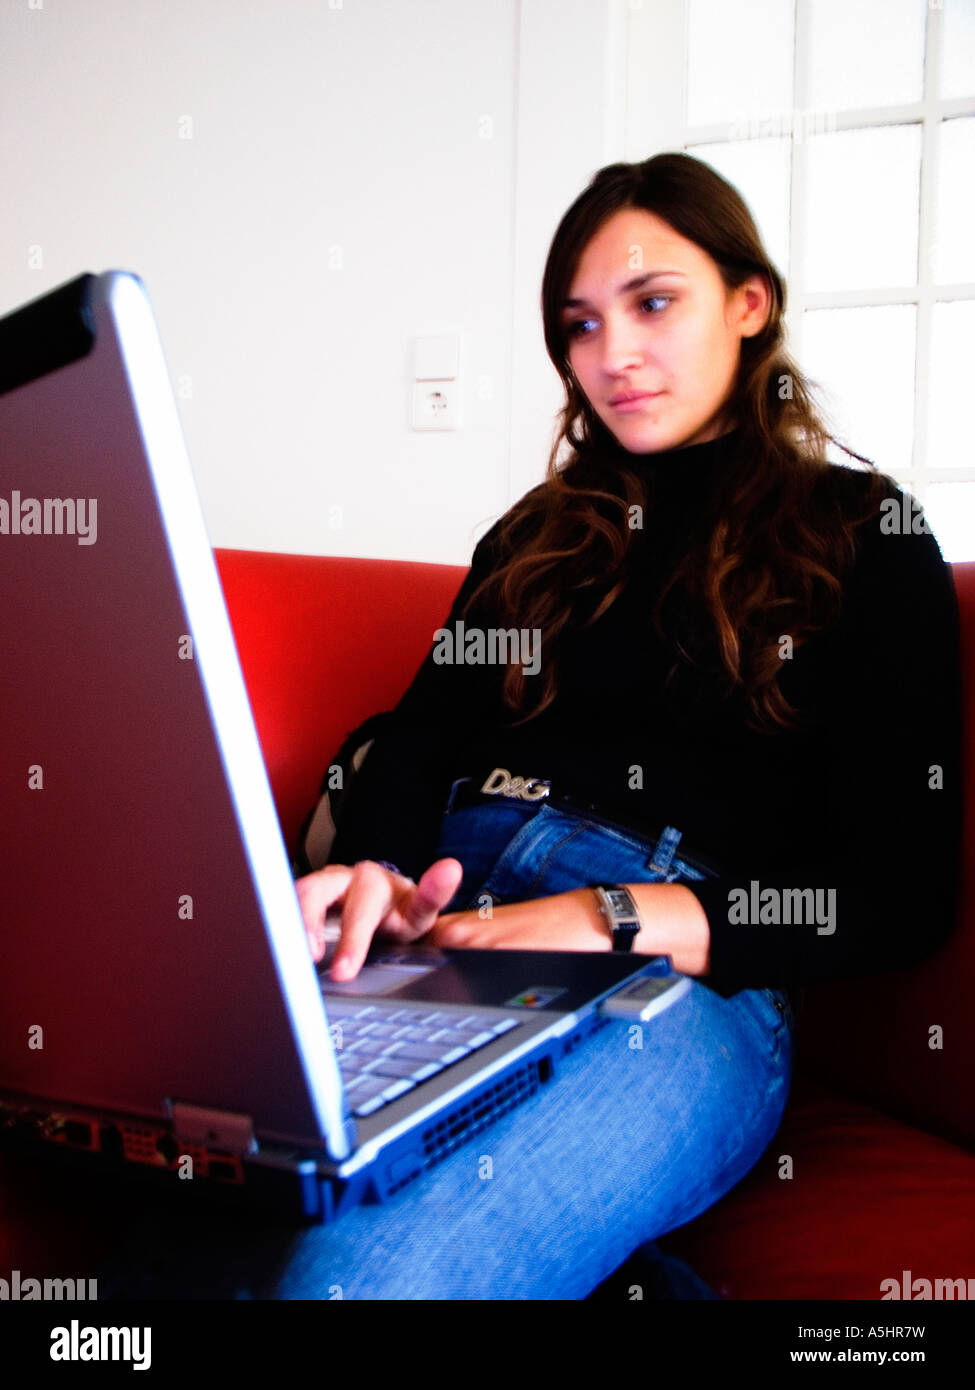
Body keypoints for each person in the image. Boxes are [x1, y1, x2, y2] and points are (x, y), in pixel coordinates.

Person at [102, 152, 963, 1301]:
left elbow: (899, 891)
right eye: (579, 324)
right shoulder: (538, 537)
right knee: (154, 1204)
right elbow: (415, 744)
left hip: (675, 978)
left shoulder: (865, 535)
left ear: (749, 306)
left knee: (347, 1282)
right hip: (447, 932)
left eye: (653, 304)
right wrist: (373, 873)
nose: (612, 355)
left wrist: (611, 913)